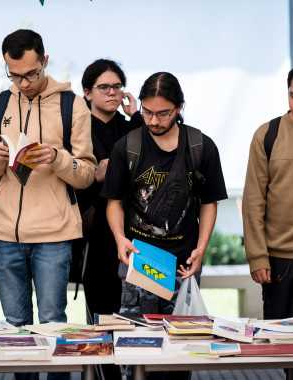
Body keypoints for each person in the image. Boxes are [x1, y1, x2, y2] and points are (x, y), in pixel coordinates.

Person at [0, 29, 96, 380]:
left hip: (53, 233)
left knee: (52, 325)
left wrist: (58, 158)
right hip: (5, 234)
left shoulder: (71, 104)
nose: (23, 82)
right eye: (14, 75)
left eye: (31, 73)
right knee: (15, 330)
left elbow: (87, 173)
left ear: (45, 61)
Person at [101, 72, 227, 380]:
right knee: (138, 347)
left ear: (180, 108)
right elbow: (114, 202)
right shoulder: (127, 147)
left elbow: (209, 202)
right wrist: (119, 238)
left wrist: (201, 248)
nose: (154, 120)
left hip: (183, 259)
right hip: (139, 257)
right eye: (147, 111)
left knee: (180, 349)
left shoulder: (201, 146)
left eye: (163, 113)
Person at [75, 59, 141, 380]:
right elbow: (76, 176)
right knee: (103, 316)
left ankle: (135, 372)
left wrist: (136, 114)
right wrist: (96, 174)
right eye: (104, 87)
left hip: (136, 229)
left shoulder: (131, 126)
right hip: (97, 234)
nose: (112, 92)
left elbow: (153, 154)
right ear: (88, 92)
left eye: (117, 86)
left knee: (137, 314)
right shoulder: (79, 128)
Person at [243, 68, 293, 323]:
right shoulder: (267, 134)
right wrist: (258, 257)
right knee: (282, 344)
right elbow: (253, 201)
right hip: (279, 262)